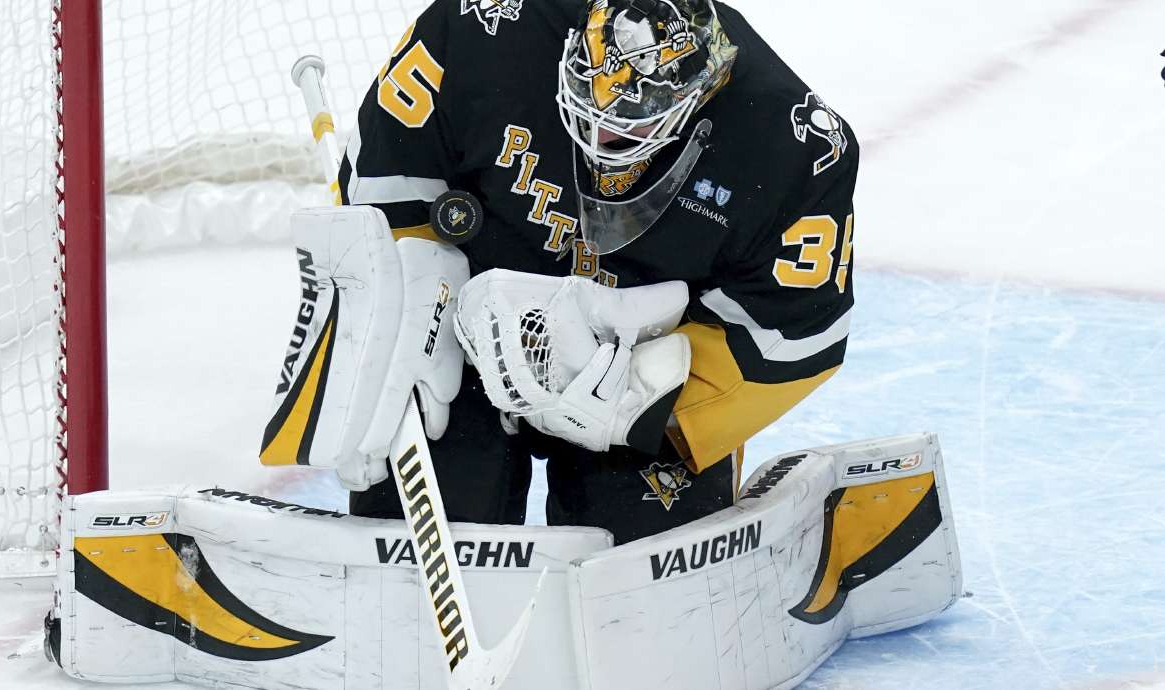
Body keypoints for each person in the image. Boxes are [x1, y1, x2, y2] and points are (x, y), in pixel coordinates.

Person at [340, 0, 857, 545]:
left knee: (647, 562)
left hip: (632, 367)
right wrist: (416, 298)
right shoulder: (483, 27)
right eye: (585, 103)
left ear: (702, 88)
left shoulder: (796, 145)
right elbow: (384, 169)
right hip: (462, 336)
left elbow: (797, 328)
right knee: (407, 528)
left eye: (631, 124)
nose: (600, 136)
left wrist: (638, 398)